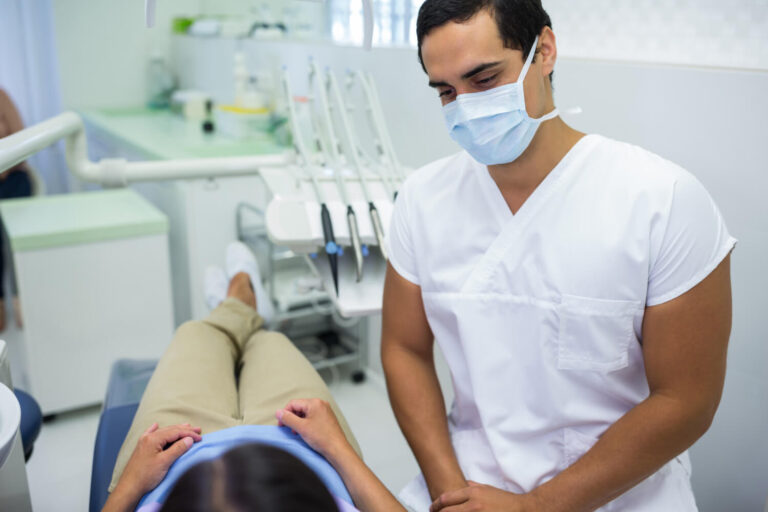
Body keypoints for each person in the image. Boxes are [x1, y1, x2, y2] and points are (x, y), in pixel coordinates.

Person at [381, 1, 735, 511]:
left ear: (543, 51)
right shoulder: (422, 199)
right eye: (446, 91)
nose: (465, 107)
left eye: (484, 79)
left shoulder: (664, 201)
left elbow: (686, 400)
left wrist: (536, 507)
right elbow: (403, 349)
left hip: (623, 496)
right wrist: (451, 492)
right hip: (468, 482)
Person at [104, 242, 407, 512]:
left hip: (176, 457)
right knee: (270, 342)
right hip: (305, 448)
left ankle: (234, 304)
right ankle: (247, 307)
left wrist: (131, 483)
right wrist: (338, 448)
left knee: (196, 332)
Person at [0, 88, 33, 331]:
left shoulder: (2, 96)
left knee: (12, 232)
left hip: (12, 177)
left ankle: (20, 297)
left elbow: (22, 146)